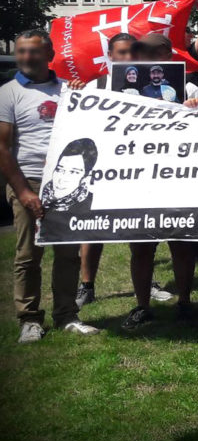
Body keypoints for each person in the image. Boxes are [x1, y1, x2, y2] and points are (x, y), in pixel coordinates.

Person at [0, 30, 98, 342]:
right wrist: (24, 191)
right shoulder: (7, 94)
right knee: (29, 255)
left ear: (49, 54)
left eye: (34, 52)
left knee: (68, 253)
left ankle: (67, 314)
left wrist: (83, 99)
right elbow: (2, 148)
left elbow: (89, 129)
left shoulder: (68, 90)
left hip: (66, 184)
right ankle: (29, 319)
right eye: (22, 52)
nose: (27, 57)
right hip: (28, 179)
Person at [73, 31, 137, 308]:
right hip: (102, 167)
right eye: (121, 53)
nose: (127, 58)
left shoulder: (149, 86)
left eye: (132, 53)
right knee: (93, 229)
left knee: (140, 228)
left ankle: (146, 282)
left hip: (137, 166)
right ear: (110, 56)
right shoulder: (94, 87)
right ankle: (86, 285)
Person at [41, 138, 97, 216]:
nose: (61, 179)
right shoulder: (41, 195)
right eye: (59, 170)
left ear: (86, 177)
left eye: (73, 172)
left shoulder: (90, 204)